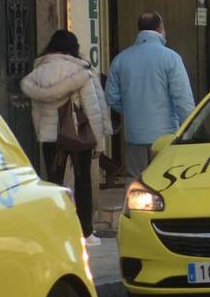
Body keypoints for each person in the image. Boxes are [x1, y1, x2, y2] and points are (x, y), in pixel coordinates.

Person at [22, 29, 112, 240]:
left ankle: (55, 231)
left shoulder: (39, 72)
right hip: (78, 134)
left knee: (53, 183)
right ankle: (85, 232)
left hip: (50, 135)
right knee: (83, 183)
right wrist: (99, 143)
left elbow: (36, 111)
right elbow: (93, 109)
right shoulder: (80, 71)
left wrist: (40, 133)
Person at [107, 12, 196, 177]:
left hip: (134, 134)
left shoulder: (121, 59)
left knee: (135, 181)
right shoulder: (171, 58)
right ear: (160, 28)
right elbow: (183, 99)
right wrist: (190, 130)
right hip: (165, 134)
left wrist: (133, 111)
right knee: (165, 179)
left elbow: (111, 96)